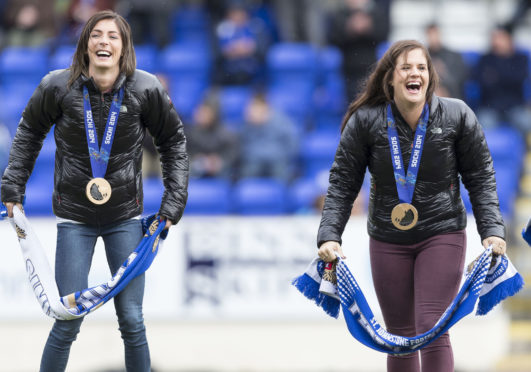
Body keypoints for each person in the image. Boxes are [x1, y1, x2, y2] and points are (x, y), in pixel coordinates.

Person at [1, 10, 189, 372]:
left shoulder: (146, 88)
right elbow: (27, 135)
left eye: (113, 36)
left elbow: (174, 143)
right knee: (67, 320)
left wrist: (172, 203)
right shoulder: (57, 86)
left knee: (133, 321)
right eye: (96, 35)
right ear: (85, 45)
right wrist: (12, 187)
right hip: (74, 218)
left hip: (126, 218)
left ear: (124, 48)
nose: (104, 41)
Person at [316, 40, 506, 372]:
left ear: (430, 77)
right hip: (387, 238)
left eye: (420, 67)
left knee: (431, 326)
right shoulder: (365, 121)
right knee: (400, 337)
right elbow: (343, 183)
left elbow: (480, 176)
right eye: (405, 67)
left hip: (442, 233)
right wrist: (329, 235)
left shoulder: (458, 114)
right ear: (390, 78)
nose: (413, 73)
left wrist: (491, 231)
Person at [474, 25, 531, 133]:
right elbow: (481, 81)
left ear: (509, 39)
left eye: (500, 37)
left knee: (526, 123)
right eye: (494, 38)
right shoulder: (485, 59)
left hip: (515, 106)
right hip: (490, 106)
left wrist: (495, 76)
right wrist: (507, 75)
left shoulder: (520, 58)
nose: (496, 41)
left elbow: (519, 79)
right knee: (481, 127)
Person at [239, 93, 298, 182]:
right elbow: (241, 144)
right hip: (254, 160)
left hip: (277, 160)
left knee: (282, 174)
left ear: (265, 108)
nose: (252, 112)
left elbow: (293, 142)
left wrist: (284, 155)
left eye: (257, 108)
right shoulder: (246, 124)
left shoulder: (281, 121)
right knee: (246, 174)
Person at [185, 95, 239, 180]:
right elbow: (185, 152)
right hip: (198, 165)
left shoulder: (226, 133)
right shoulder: (190, 132)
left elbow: (232, 154)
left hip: (220, 168)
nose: (201, 115)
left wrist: (220, 161)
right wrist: (198, 158)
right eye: (200, 111)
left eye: (205, 112)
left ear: (214, 114)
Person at [425, 23, 468, 100]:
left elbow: (459, 82)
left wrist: (443, 72)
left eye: (435, 34)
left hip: (451, 98)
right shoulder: (422, 56)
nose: (433, 38)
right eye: (430, 34)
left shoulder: (454, 57)